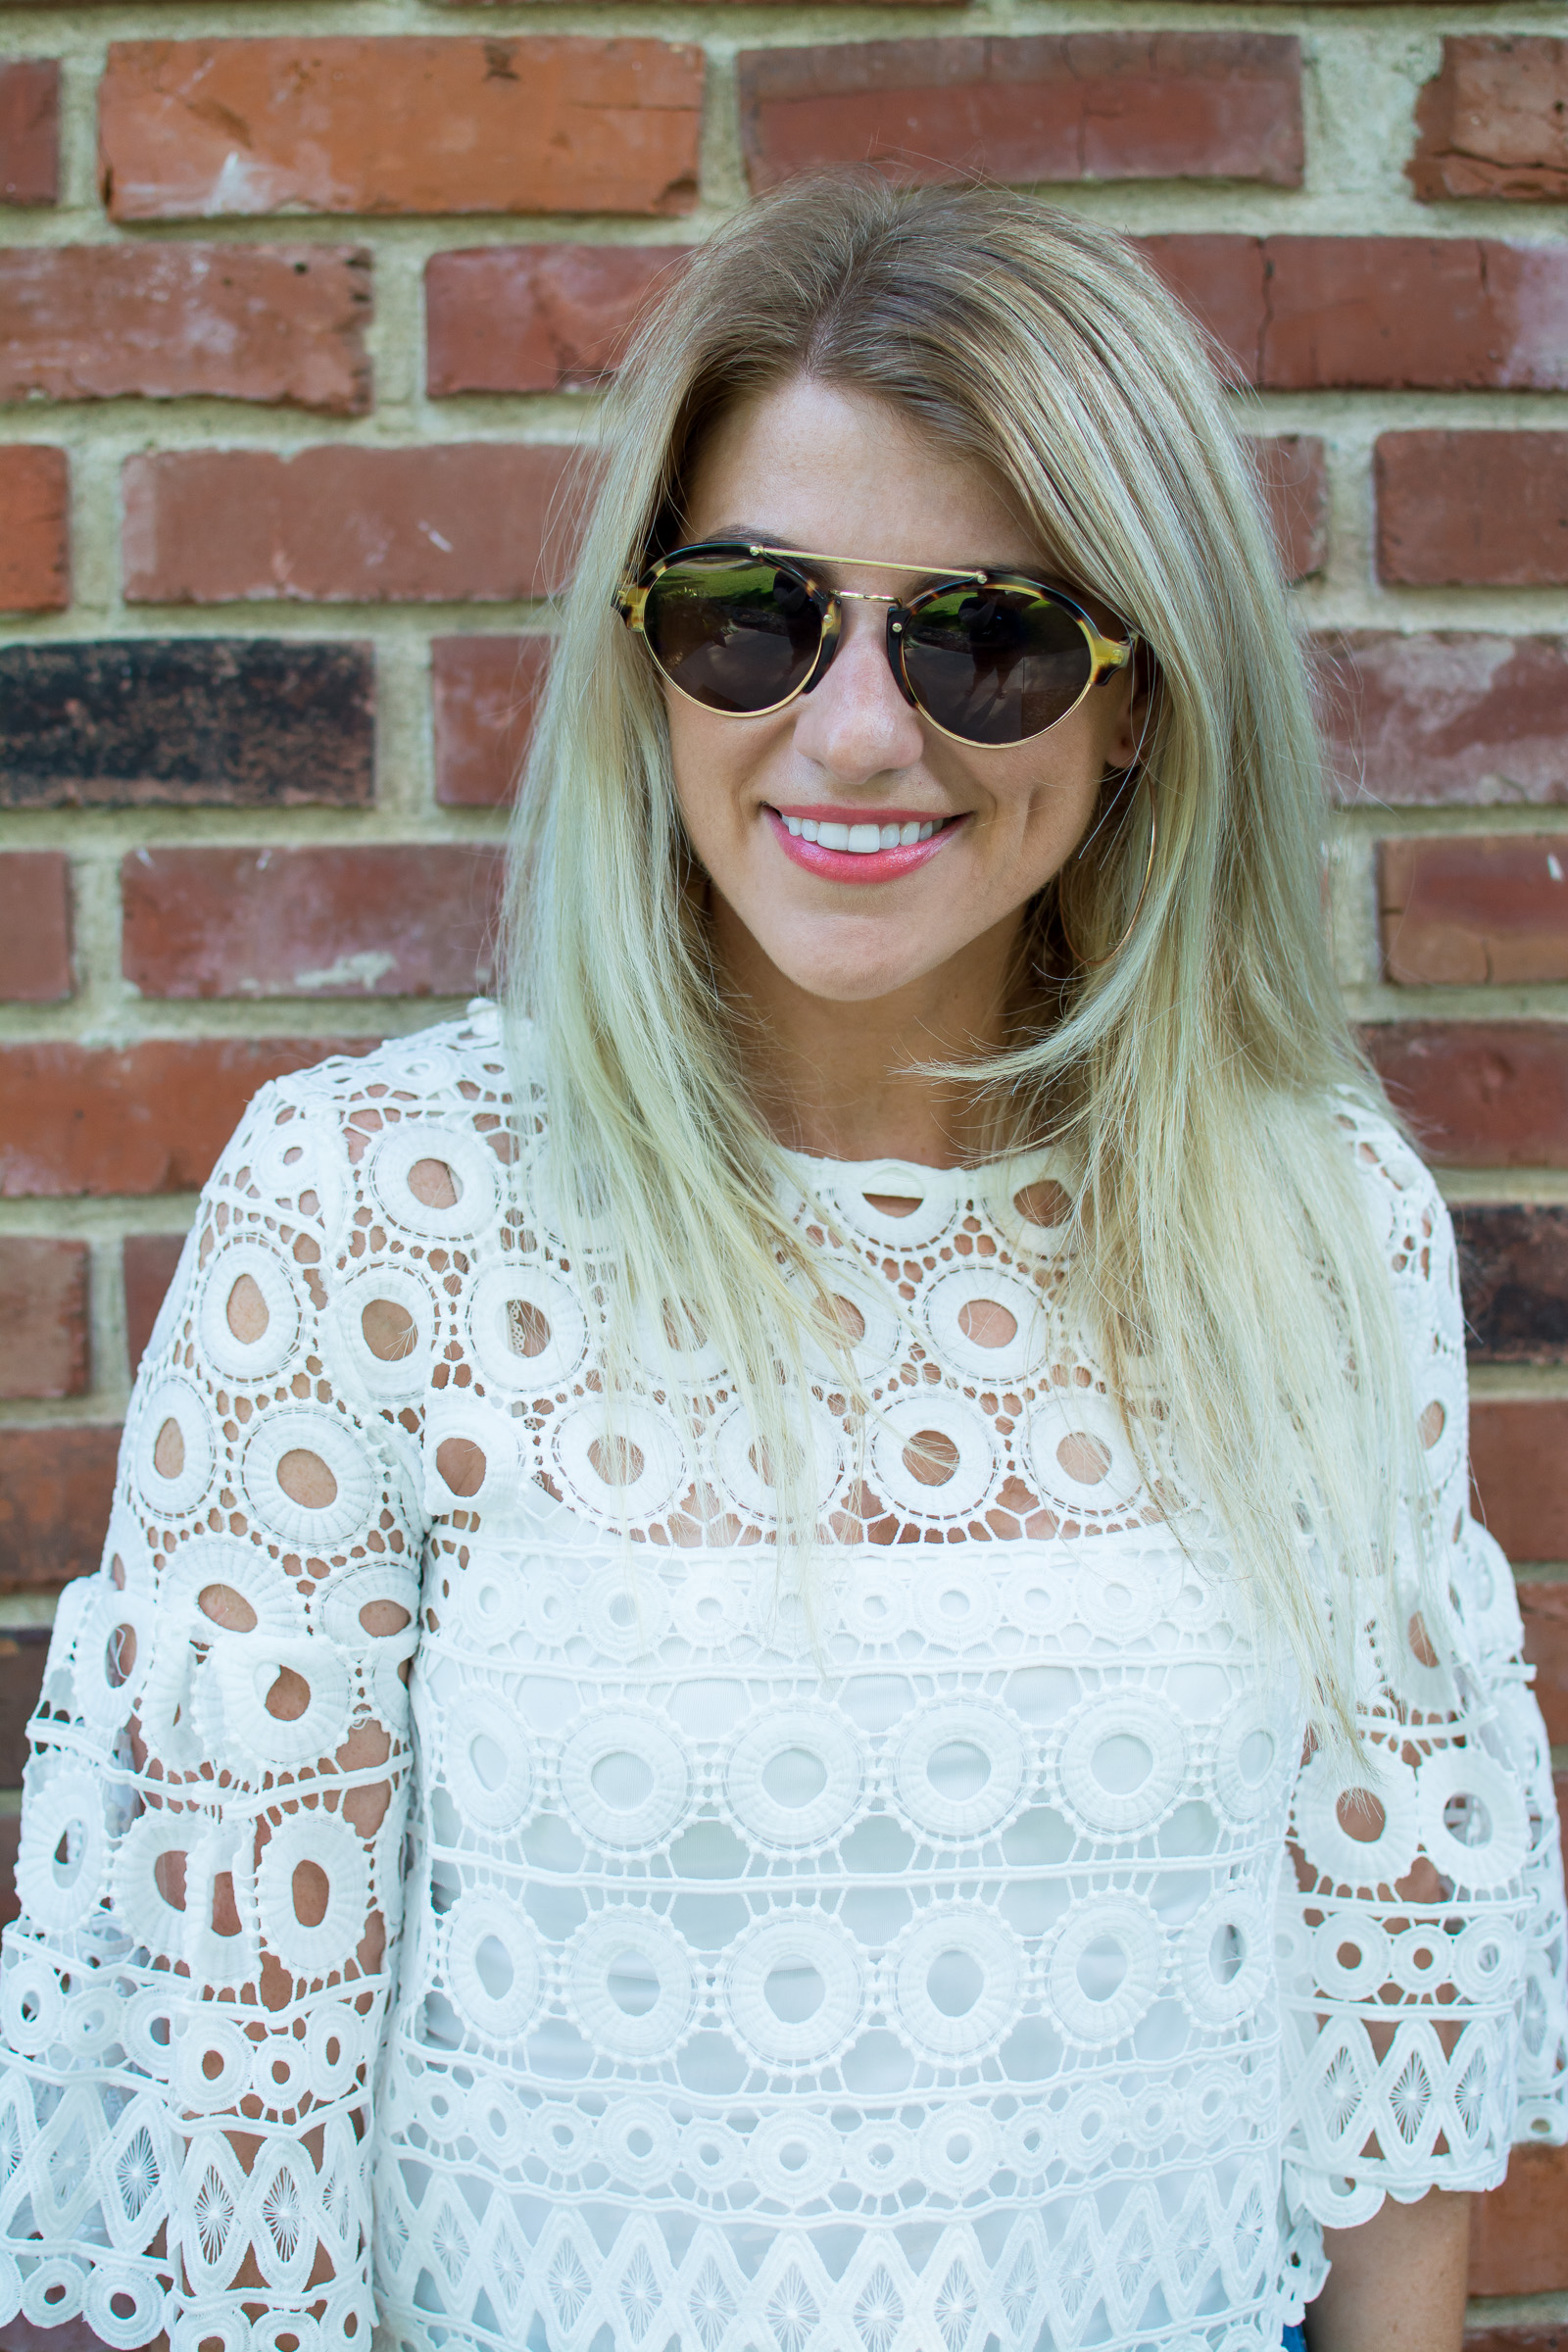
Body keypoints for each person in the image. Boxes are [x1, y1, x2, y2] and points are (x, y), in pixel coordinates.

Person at [0, 178, 1560, 2352]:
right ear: (645, 656)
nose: (844, 732)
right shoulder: (365, 1218)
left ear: (1133, 710)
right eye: (751, 616)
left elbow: (1388, 2061)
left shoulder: (1314, 1228)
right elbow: (243, 2148)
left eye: (980, 637)